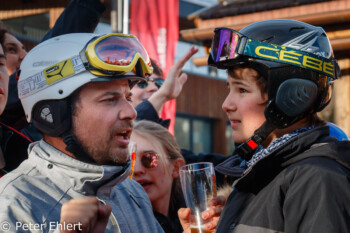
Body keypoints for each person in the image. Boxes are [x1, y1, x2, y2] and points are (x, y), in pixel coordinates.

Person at [180, 19, 350, 232]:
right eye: (228, 88)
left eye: (242, 90)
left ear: (293, 96)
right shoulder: (263, 174)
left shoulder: (317, 180)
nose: (226, 105)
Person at [0, 33, 164, 233]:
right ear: (53, 114)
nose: (131, 112)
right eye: (110, 99)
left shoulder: (132, 193)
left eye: (128, 98)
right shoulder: (13, 204)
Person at [131, 120, 225, 233]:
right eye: (129, 162)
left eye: (149, 159)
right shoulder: (118, 223)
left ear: (176, 168)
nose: (137, 170)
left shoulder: (197, 213)